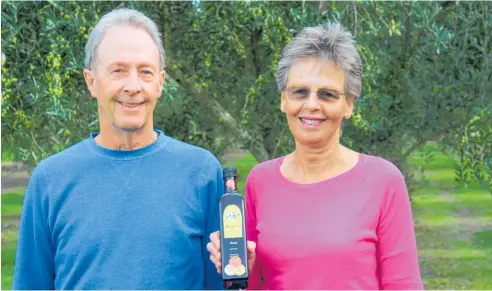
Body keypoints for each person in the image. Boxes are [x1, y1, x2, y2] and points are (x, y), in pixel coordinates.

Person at [13, 8, 223, 290]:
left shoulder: (202, 173)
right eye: (118, 71)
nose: (133, 86)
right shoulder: (50, 180)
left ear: (160, 83)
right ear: (91, 81)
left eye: (145, 72)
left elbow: (223, 282)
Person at [207, 22, 423, 290]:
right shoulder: (260, 182)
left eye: (327, 94)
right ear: (283, 100)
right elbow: (254, 284)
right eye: (299, 92)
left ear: (349, 104)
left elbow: (403, 284)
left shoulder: (383, 181)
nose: (311, 105)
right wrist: (241, 269)